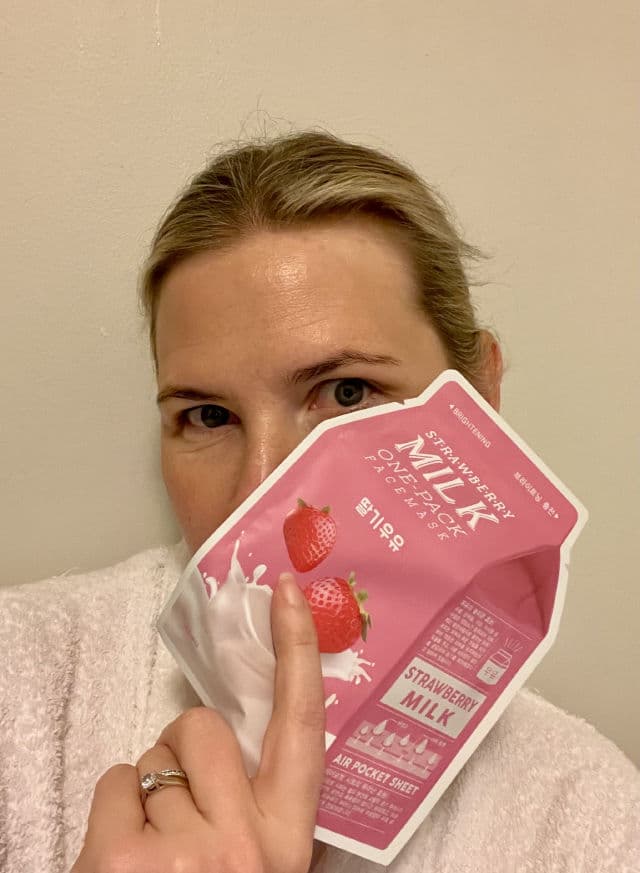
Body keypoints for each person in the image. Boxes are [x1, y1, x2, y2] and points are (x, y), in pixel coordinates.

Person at [1, 132, 638, 873]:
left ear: (482, 399)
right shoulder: (23, 679)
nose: (261, 490)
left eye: (347, 392)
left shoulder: (590, 816)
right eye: (208, 415)